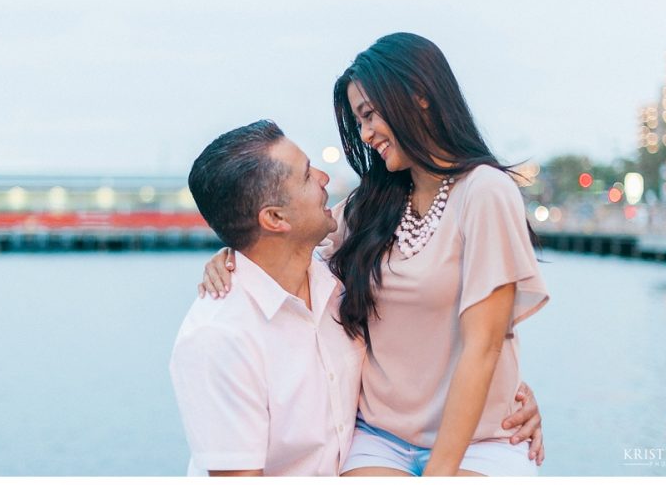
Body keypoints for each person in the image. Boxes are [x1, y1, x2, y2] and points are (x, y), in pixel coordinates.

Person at [199, 33, 550, 476]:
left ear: (419, 96)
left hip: (480, 439)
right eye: (358, 121)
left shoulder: (484, 193)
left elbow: (483, 347)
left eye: (368, 115)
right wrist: (229, 255)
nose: (365, 134)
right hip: (379, 439)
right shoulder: (371, 205)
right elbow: (284, 251)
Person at [170, 120, 364, 476]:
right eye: (307, 175)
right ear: (275, 218)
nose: (323, 177)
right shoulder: (219, 337)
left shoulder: (337, 275)